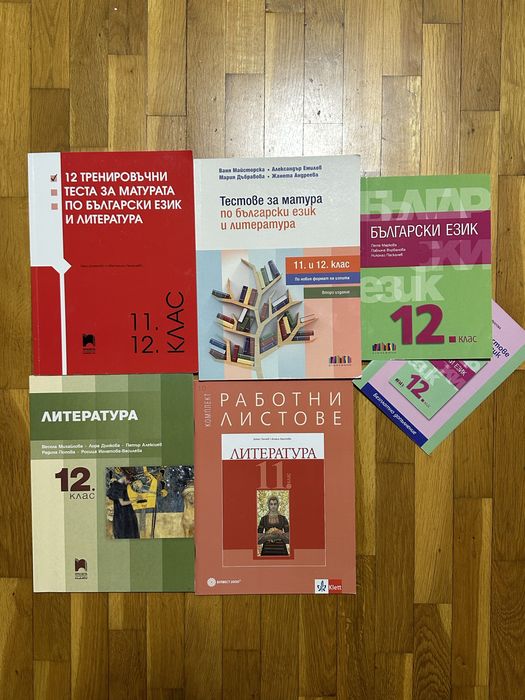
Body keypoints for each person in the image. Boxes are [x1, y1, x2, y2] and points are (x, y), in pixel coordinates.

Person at [106, 469, 140, 539]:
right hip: (123, 515)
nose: (129, 483)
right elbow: (122, 503)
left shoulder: (117, 485)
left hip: (122, 514)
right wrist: (135, 500)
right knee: (127, 534)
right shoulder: (119, 487)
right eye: (129, 481)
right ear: (126, 478)